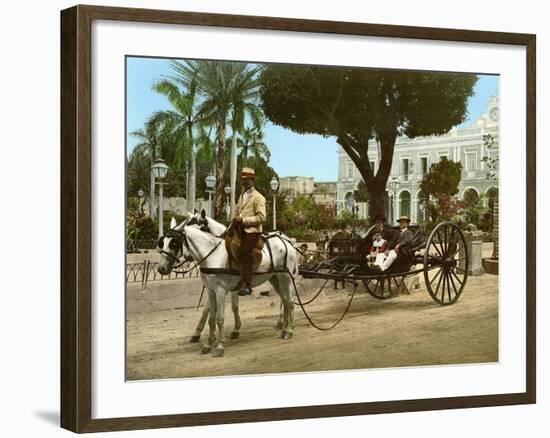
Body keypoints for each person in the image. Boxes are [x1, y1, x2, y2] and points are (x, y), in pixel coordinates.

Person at [234, 167, 267, 296]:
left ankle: (248, 285)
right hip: (240, 228)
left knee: (245, 252)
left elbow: (261, 218)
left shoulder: (258, 197)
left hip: (252, 231)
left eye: (247, 180)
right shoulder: (242, 195)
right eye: (243, 180)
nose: (244, 182)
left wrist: (243, 220)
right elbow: (238, 211)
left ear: (253, 180)